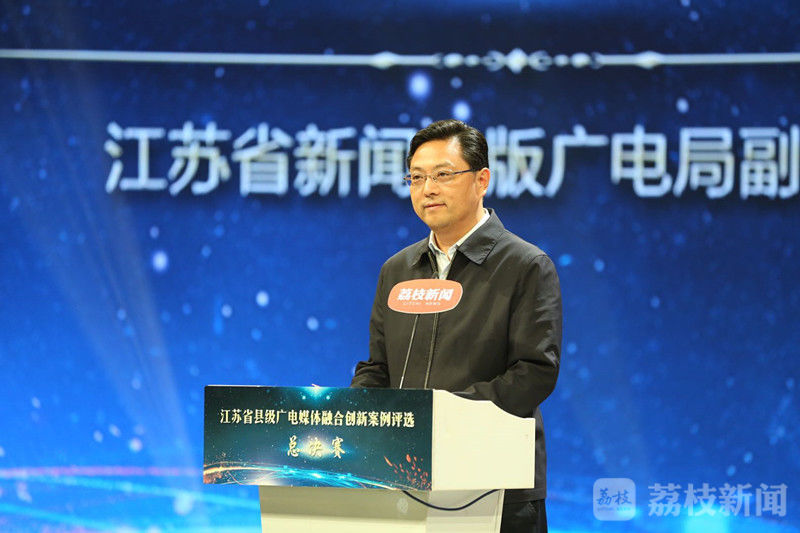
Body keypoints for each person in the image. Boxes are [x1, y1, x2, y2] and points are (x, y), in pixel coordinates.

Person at [350, 119, 562, 532]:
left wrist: (440, 417)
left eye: (443, 175)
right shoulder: (397, 270)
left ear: (482, 180)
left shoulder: (525, 265)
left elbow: (534, 373)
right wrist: (351, 415)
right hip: (405, 482)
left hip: (495, 487)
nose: (427, 189)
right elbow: (379, 368)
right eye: (416, 177)